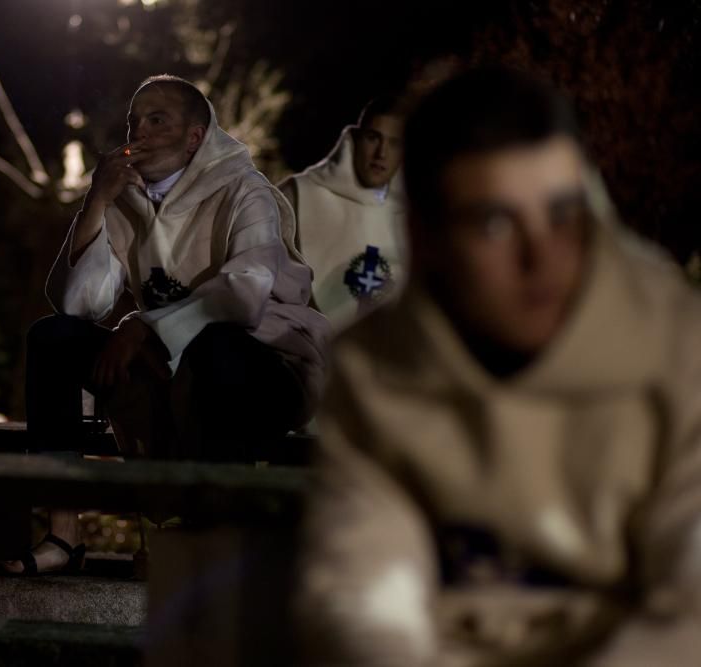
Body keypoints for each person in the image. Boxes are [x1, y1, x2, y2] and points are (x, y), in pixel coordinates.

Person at [297, 67, 701, 666]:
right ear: (423, 235)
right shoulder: (376, 368)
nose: (544, 255)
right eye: (495, 222)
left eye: (564, 212)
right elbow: (363, 597)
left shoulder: (678, 345)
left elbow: (690, 603)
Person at [12, 75, 329, 574]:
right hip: (167, 369)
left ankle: (214, 538)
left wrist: (144, 327)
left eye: (157, 120)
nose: (138, 132)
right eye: (134, 121)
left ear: (195, 137)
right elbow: (76, 304)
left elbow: (244, 295)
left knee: (217, 347)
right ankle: (64, 535)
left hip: (266, 370)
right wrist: (96, 198)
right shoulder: (125, 199)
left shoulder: (245, 191)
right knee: (52, 337)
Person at [278, 94, 407, 327]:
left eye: (395, 143)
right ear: (354, 139)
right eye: (372, 138)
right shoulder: (297, 194)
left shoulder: (410, 221)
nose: (381, 153)